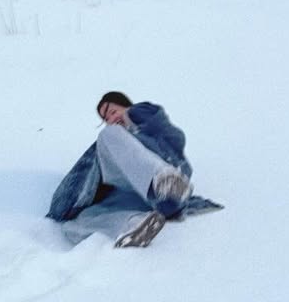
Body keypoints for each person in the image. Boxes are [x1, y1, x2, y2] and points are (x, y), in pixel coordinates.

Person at [47, 90, 219, 248]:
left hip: (167, 180)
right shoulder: (117, 147)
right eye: (106, 119)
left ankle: (165, 182)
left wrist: (133, 115)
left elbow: (174, 136)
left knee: (109, 134)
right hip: (142, 199)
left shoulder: (148, 125)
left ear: (128, 107)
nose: (111, 120)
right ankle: (134, 225)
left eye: (113, 112)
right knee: (76, 223)